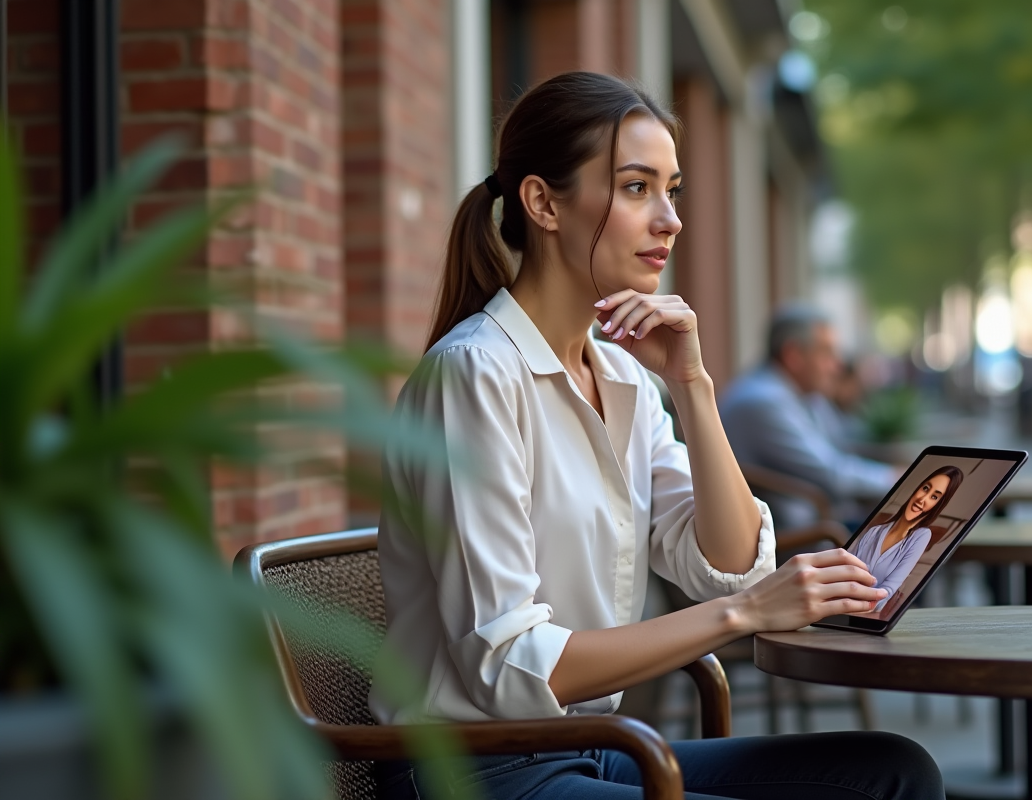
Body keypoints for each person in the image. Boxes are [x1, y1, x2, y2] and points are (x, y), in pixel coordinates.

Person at [369, 72, 943, 800]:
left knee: (894, 772)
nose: (669, 220)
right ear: (544, 202)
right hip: (472, 769)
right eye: (638, 188)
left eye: (673, 191)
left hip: (584, 747)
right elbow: (511, 667)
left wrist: (692, 386)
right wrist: (746, 615)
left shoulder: (627, 379)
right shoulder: (474, 375)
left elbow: (727, 565)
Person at [719, 304, 897, 529]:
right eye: (827, 353)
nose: (838, 365)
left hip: (823, 523)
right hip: (802, 539)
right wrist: (895, 478)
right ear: (793, 356)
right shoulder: (763, 402)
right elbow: (832, 476)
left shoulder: (802, 393)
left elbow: (841, 447)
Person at [848, 466, 964, 601]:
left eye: (934, 497)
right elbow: (847, 570)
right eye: (925, 488)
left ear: (938, 505)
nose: (923, 499)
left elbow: (889, 590)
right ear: (917, 488)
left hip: (866, 611)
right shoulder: (874, 532)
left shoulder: (922, 535)